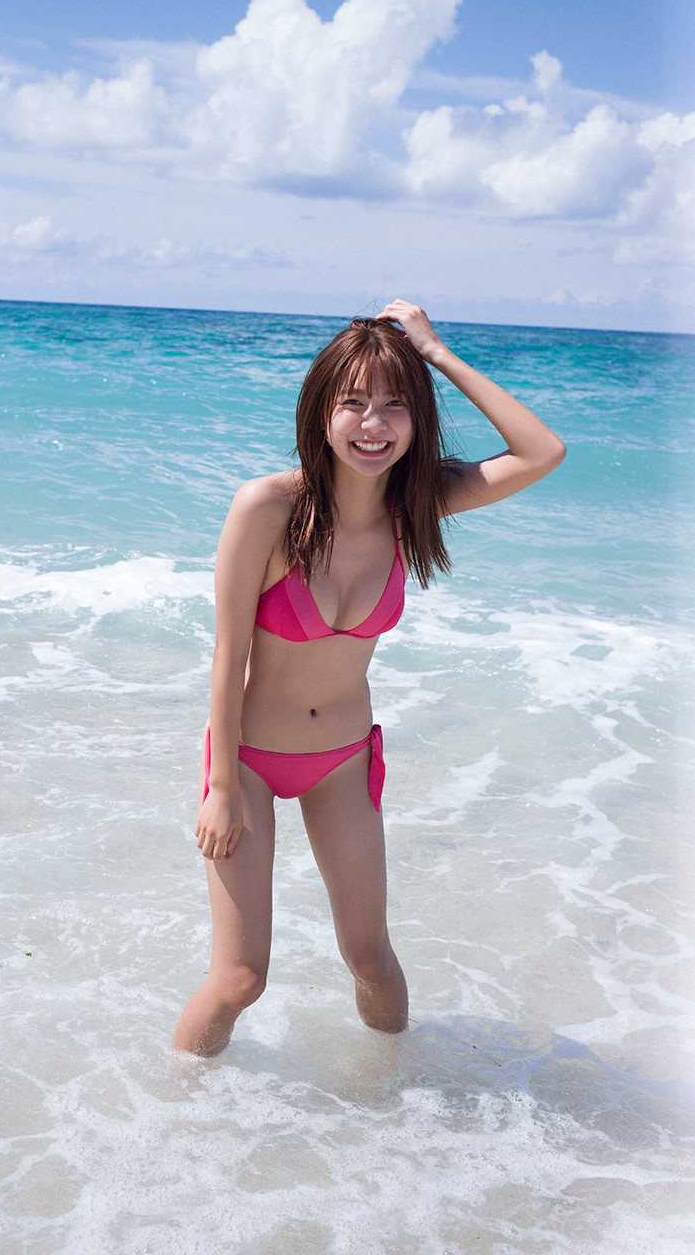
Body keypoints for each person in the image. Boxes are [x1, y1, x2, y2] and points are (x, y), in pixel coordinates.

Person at [172, 299, 566, 1057]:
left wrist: (436, 353)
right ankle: (176, 1108)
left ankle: (399, 1102)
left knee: (373, 963)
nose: (373, 423)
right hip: (246, 761)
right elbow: (227, 655)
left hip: (343, 764)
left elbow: (542, 450)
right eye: (353, 401)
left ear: (418, 418)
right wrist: (220, 786)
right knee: (240, 979)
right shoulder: (269, 508)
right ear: (322, 412)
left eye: (395, 404)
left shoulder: (417, 506)